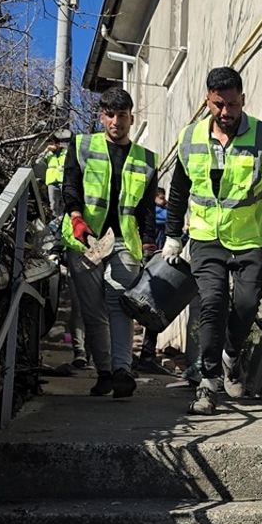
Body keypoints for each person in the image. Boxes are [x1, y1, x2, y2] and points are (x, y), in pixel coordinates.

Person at [163, 66, 262, 415]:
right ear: (208, 101)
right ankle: (209, 383)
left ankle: (232, 354)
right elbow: (177, 193)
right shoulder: (190, 139)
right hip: (206, 237)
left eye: (232, 104)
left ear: (242, 99)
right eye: (219, 105)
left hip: (249, 239)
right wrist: (173, 237)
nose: (226, 113)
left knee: (246, 305)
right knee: (212, 303)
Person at [60, 86, 160, 398]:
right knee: (92, 310)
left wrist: (147, 246)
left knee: (121, 305)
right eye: (110, 114)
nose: (116, 121)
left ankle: (121, 371)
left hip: (123, 242)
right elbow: (70, 185)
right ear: (102, 116)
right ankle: (104, 372)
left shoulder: (146, 159)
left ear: (132, 117)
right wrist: (76, 217)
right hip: (86, 239)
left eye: (122, 115)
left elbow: (146, 208)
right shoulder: (82, 145)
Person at [43, 129, 89, 371]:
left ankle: (100, 356)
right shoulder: (52, 158)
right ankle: (81, 352)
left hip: (97, 247)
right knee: (80, 305)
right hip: (75, 251)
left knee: (98, 306)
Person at [136, 187, 169, 374]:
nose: (163, 200)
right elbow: (162, 217)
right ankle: (146, 356)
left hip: (156, 259)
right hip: (148, 257)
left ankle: (145, 356)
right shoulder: (155, 211)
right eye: (161, 198)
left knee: (151, 307)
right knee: (152, 307)